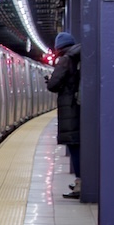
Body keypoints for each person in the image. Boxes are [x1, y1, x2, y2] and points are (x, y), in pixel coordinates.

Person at [45, 30, 83, 199]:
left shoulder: (66, 60)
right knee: (79, 146)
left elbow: (53, 84)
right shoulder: (80, 57)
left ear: (59, 48)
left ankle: (81, 182)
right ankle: (81, 181)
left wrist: (50, 79)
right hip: (79, 108)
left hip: (70, 109)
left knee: (74, 146)